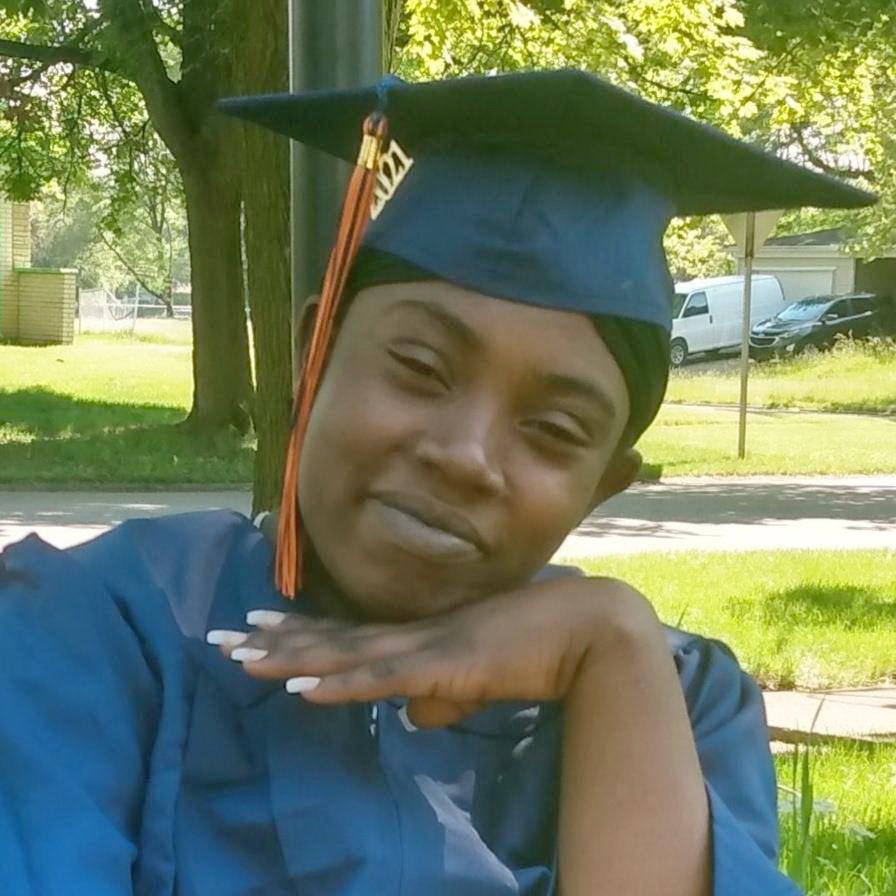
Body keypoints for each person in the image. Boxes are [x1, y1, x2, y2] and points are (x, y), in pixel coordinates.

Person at [0, 70, 873, 895]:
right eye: (420, 368)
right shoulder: (103, 628)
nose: (463, 454)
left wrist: (611, 643)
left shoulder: (675, 701)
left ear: (604, 484)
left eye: (554, 430)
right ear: (312, 356)